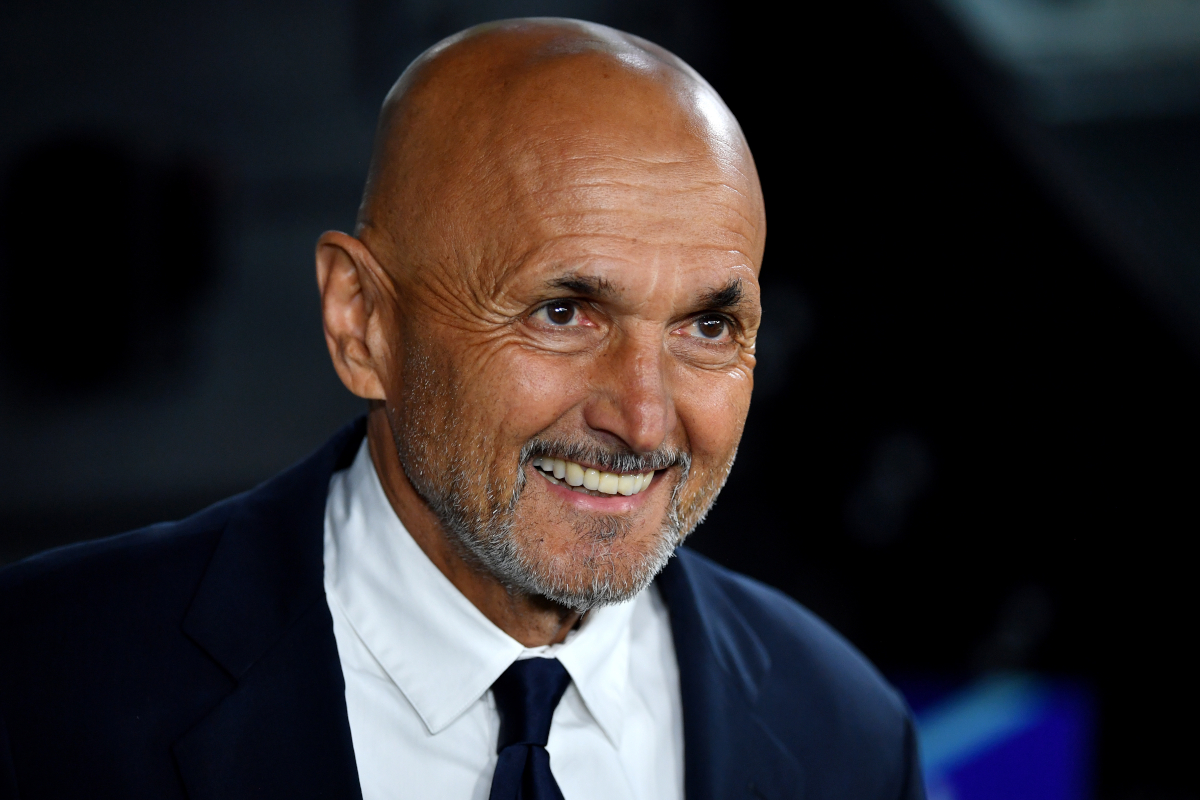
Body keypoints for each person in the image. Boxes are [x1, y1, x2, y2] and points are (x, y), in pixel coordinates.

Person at [0, 18, 924, 800]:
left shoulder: (847, 737)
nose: (645, 420)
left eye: (709, 327)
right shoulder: (43, 684)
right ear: (362, 322)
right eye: (563, 313)